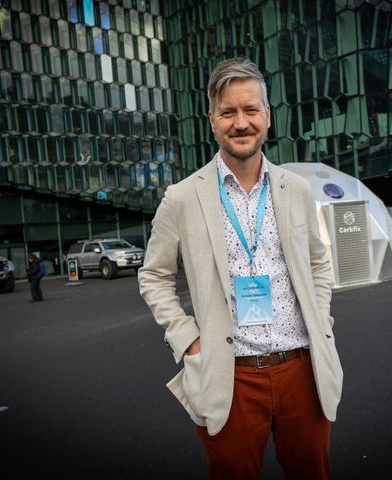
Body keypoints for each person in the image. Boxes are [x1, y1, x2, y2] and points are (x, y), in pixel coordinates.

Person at [138, 57, 342, 480]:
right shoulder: (181, 198)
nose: (241, 122)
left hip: (302, 368)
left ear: (267, 116)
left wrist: (321, 318)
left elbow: (318, 263)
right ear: (212, 120)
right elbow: (153, 275)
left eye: (251, 110)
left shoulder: (296, 189)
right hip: (228, 376)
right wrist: (188, 340)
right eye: (228, 112)